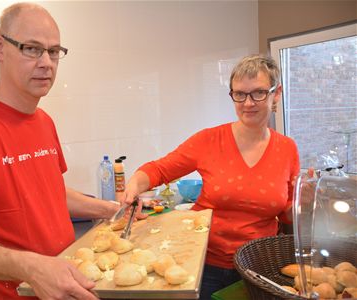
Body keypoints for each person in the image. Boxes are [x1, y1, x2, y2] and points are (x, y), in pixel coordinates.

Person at [0, 3, 119, 299]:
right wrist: (32, 267)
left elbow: (51, 192)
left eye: (54, 51)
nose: (47, 62)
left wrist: (113, 210)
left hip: (62, 289)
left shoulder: (44, 121)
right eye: (32, 49)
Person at [122, 54, 300, 299]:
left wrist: (306, 203)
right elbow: (159, 169)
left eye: (258, 93)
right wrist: (133, 185)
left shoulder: (287, 149)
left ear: (276, 94)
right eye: (239, 94)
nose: (248, 103)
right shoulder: (209, 140)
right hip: (205, 263)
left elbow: (286, 212)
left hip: (258, 267)